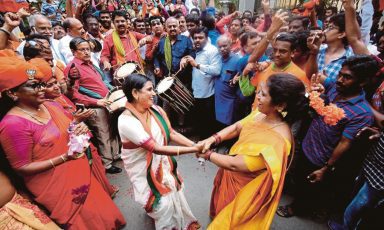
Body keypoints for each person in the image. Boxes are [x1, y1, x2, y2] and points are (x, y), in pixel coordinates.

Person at [0, 55, 126, 228]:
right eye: (33, 86)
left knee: (99, 213)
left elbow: (69, 127)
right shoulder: (12, 124)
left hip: (79, 170)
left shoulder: (50, 105)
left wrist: (78, 126)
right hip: (56, 186)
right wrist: (64, 158)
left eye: (41, 84)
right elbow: (21, 167)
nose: (42, 89)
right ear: (12, 93)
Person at [196, 73, 308, 229]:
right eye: (259, 91)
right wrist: (213, 139)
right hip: (230, 173)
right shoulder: (260, 114)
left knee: (232, 221)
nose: (258, 96)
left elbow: (236, 165)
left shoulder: (278, 141)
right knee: (221, 212)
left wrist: (207, 155)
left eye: (263, 94)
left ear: (280, 105)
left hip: (244, 190)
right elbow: (237, 127)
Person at [277, 55, 377, 218]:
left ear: (363, 82)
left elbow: (345, 143)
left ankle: (298, 209)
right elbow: (314, 75)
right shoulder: (333, 88)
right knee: (300, 179)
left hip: (321, 160)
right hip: (306, 145)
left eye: (347, 77)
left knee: (310, 188)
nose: (340, 80)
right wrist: (314, 52)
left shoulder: (362, 113)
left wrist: (325, 168)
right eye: (340, 74)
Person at [118, 73, 201, 230]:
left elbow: (171, 133)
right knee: (161, 204)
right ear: (135, 93)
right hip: (144, 169)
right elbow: (156, 148)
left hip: (161, 162)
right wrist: (193, 149)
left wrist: (195, 145)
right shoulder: (126, 121)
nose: (154, 93)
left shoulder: (154, 109)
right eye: (149, 90)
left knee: (172, 191)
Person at [64, 37, 122, 174]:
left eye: (88, 49)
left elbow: (100, 82)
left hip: (106, 103)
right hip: (95, 107)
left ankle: (115, 155)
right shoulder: (72, 68)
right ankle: (107, 163)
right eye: (82, 50)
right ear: (73, 51)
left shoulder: (89, 63)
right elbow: (74, 95)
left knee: (112, 129)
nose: (86, 52)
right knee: (103, 134)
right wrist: (96, 102)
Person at [185, 26, 222, 138]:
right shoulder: (196, 49)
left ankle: (209, 144)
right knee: (200, 117)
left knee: (207, 119)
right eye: (195, 38)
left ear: (207, 38)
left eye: (200, 37)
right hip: (197, 90)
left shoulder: (212, 51)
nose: (197, 40)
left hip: (208, 92)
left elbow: (216, 70)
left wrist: (197, 65)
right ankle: (202, 140)